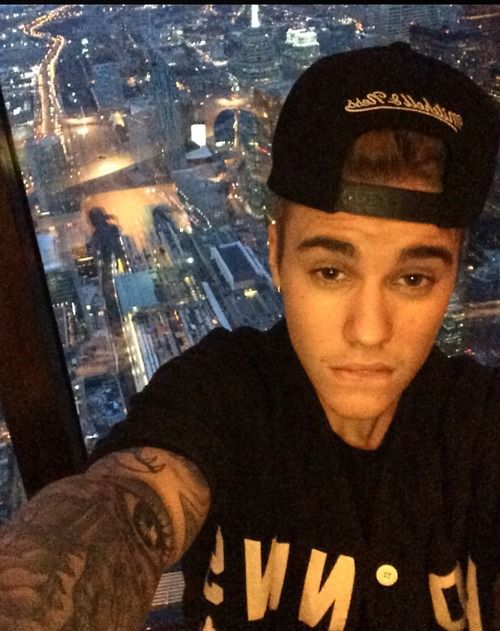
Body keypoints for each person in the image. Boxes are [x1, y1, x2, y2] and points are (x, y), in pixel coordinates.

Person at [0, 42, 499, 631]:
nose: (369, 331)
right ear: (275, 255)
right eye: (331, 272)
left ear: (452, 276)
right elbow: (116, 507)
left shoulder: (480, 429)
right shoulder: (220, 396)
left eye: (413, 278)